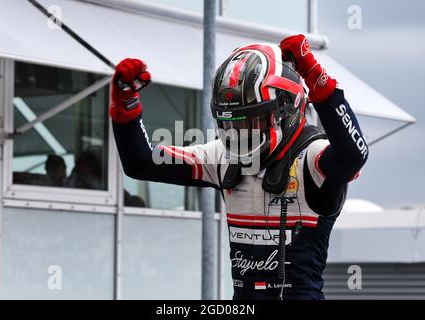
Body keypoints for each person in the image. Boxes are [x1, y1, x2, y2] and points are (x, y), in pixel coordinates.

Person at [110, 35, 368, 300]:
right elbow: (141, 162)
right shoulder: (223, 157)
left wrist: (315, 75)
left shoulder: (311, 157)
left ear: (284, 109)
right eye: (230, 124)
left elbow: (354, 155)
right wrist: (126, 104)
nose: (239, 135)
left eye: (250, 122)